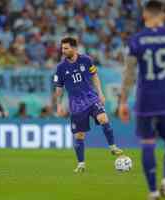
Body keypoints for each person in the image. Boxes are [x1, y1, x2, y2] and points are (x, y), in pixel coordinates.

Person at [119, 1, 165, 200]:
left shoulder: (136, 40)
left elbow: (129, 73)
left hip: (145, 100)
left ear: (145, 15)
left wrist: (123, 102)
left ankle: (153, 191)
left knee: (148, 143)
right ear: (163, 15)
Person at [53, 36, 123, 173]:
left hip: (91, 98)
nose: (63, 51)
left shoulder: (86, 60)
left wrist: (100, 93)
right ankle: (81, 164)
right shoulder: (61, 68)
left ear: (74, 48)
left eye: (66, 48)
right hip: (76, 105)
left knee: (103, 118)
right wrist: (58, 105)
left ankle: (112, 146)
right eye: (62, 48)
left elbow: (95, 76)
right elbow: (59, 87)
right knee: (79, 135)